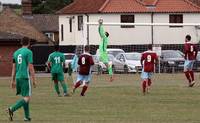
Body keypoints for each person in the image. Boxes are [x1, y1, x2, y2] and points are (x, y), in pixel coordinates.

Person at [7, 37, 36, 121]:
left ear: (21, 42)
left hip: (18, 77)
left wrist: (12, 80)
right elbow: (30, 67)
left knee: (25, 97)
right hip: (25, 77)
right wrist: (34, 80)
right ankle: (12, 109)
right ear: (29, 43)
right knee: (27, 98)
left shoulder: (15, 53)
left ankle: (27, 117)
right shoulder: (29, 52)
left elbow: (13, 68)